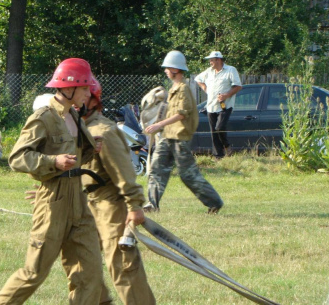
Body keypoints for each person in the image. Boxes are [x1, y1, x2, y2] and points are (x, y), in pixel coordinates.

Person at [0, 58, 104, 305]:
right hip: (53, 202)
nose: (89, 93)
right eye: (85, 88)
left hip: (79, 201)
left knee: (90, 274)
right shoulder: (44, 117)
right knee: (34, 272)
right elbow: (18, 157)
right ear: (68, 87)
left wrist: (91, 149)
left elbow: (75, 159)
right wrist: (52, 161)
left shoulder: (75, 116)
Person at [80, 75, 155, 305]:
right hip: (86, 205)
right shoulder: (79, 128)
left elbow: (124, 173)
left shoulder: (104, 130)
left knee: (123, 267)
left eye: (82, 94)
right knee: (83, 263)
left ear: (93, 100)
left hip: (110, 204)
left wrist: (134, 206)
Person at [143, 50, 224, 214]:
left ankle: (214, 202)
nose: (165, 71)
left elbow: (181, 114)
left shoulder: (183, 89)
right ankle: (152, 204)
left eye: (167, 68)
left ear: (175, 69)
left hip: (180, 137)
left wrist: (159, 125)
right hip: (168, 136)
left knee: (188, 175)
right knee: (156, 169)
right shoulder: (173, 89)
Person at [194, 51, 242, 160]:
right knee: (213, 132)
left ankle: (226, 146)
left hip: (225, 106)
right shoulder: (208, 72)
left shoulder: (230, 70)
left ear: (218, 60)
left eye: (212, 60)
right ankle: (218, 156)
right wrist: (206, 89)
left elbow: (238, 86)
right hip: (211, 106)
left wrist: (227, 95)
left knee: (219, 127)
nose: (210, 62)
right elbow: (197, 79)